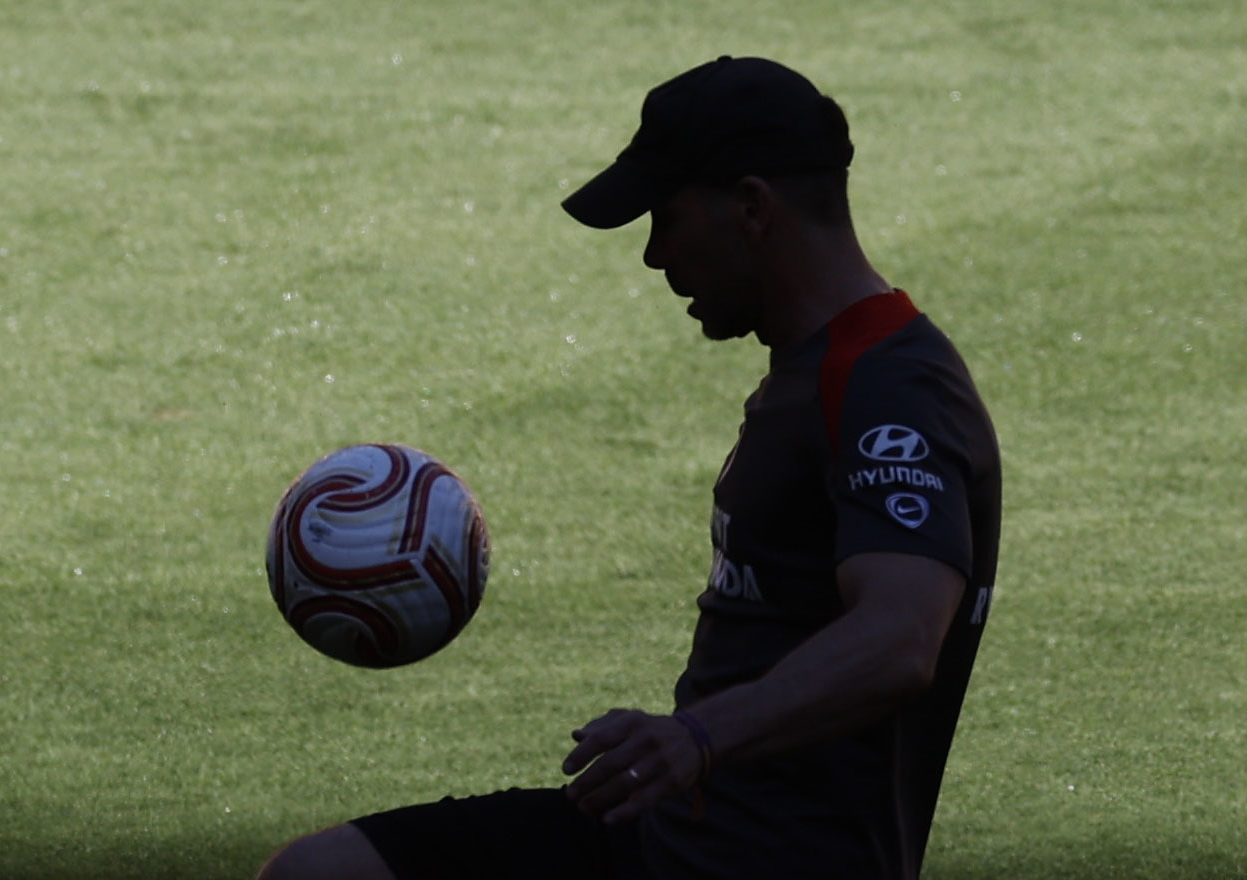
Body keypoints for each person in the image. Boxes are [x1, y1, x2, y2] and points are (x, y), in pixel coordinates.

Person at [257, 55, 1001, 880]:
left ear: (751, 206)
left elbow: (901, 636)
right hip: (667, 833)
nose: (653, 257)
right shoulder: (816, 369)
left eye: (666, 220)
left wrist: (696, 736)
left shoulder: (888, 386)